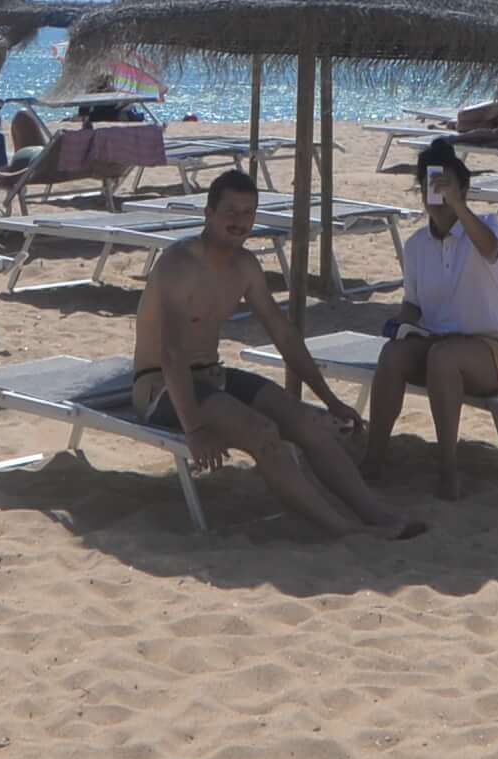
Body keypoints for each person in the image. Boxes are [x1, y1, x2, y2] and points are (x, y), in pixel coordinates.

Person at [129, 168, 409, 541]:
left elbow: (283, 334)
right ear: (208, 214)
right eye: (230, 211)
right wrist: (193, 428)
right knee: (263, 433)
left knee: (308, 422)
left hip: (212, 375)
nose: (239, 222)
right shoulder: (179, 266)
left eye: (248, 213)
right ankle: (340, 528)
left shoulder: (244, 266)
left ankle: (375, 513)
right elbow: (172, 353)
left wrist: (330, 399)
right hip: (160, 385)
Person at [364, 139, 498, 476]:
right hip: (437, 345)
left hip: (496, 351)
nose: (439, 196)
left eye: (447, 186)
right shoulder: (416, 247)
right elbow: (413, 303)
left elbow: (488, 248)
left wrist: (458, 205)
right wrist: (402, 325)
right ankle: (374, 457)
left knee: (444, 358)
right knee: (393, 354)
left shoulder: (485, 227)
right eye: (432, 186)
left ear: (463, 189)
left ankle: (448, 468)